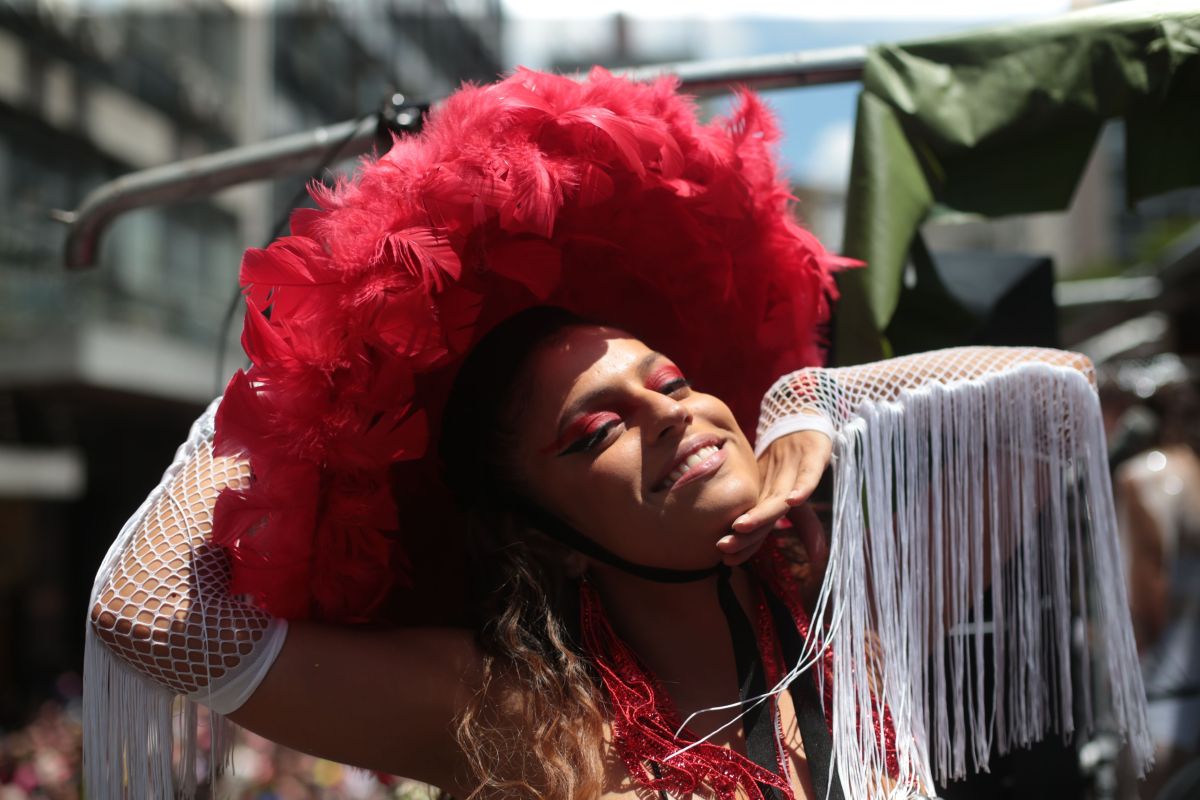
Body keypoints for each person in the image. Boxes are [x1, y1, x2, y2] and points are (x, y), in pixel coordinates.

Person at [84, 68, 1150, 800]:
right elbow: (143, 613)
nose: (671, 412)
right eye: (598, 430)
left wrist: (810, 402)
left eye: (674, 380)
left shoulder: (857, 620)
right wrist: (306, 358)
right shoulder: (511, 716)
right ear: (540, 534)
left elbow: (1059, 398)